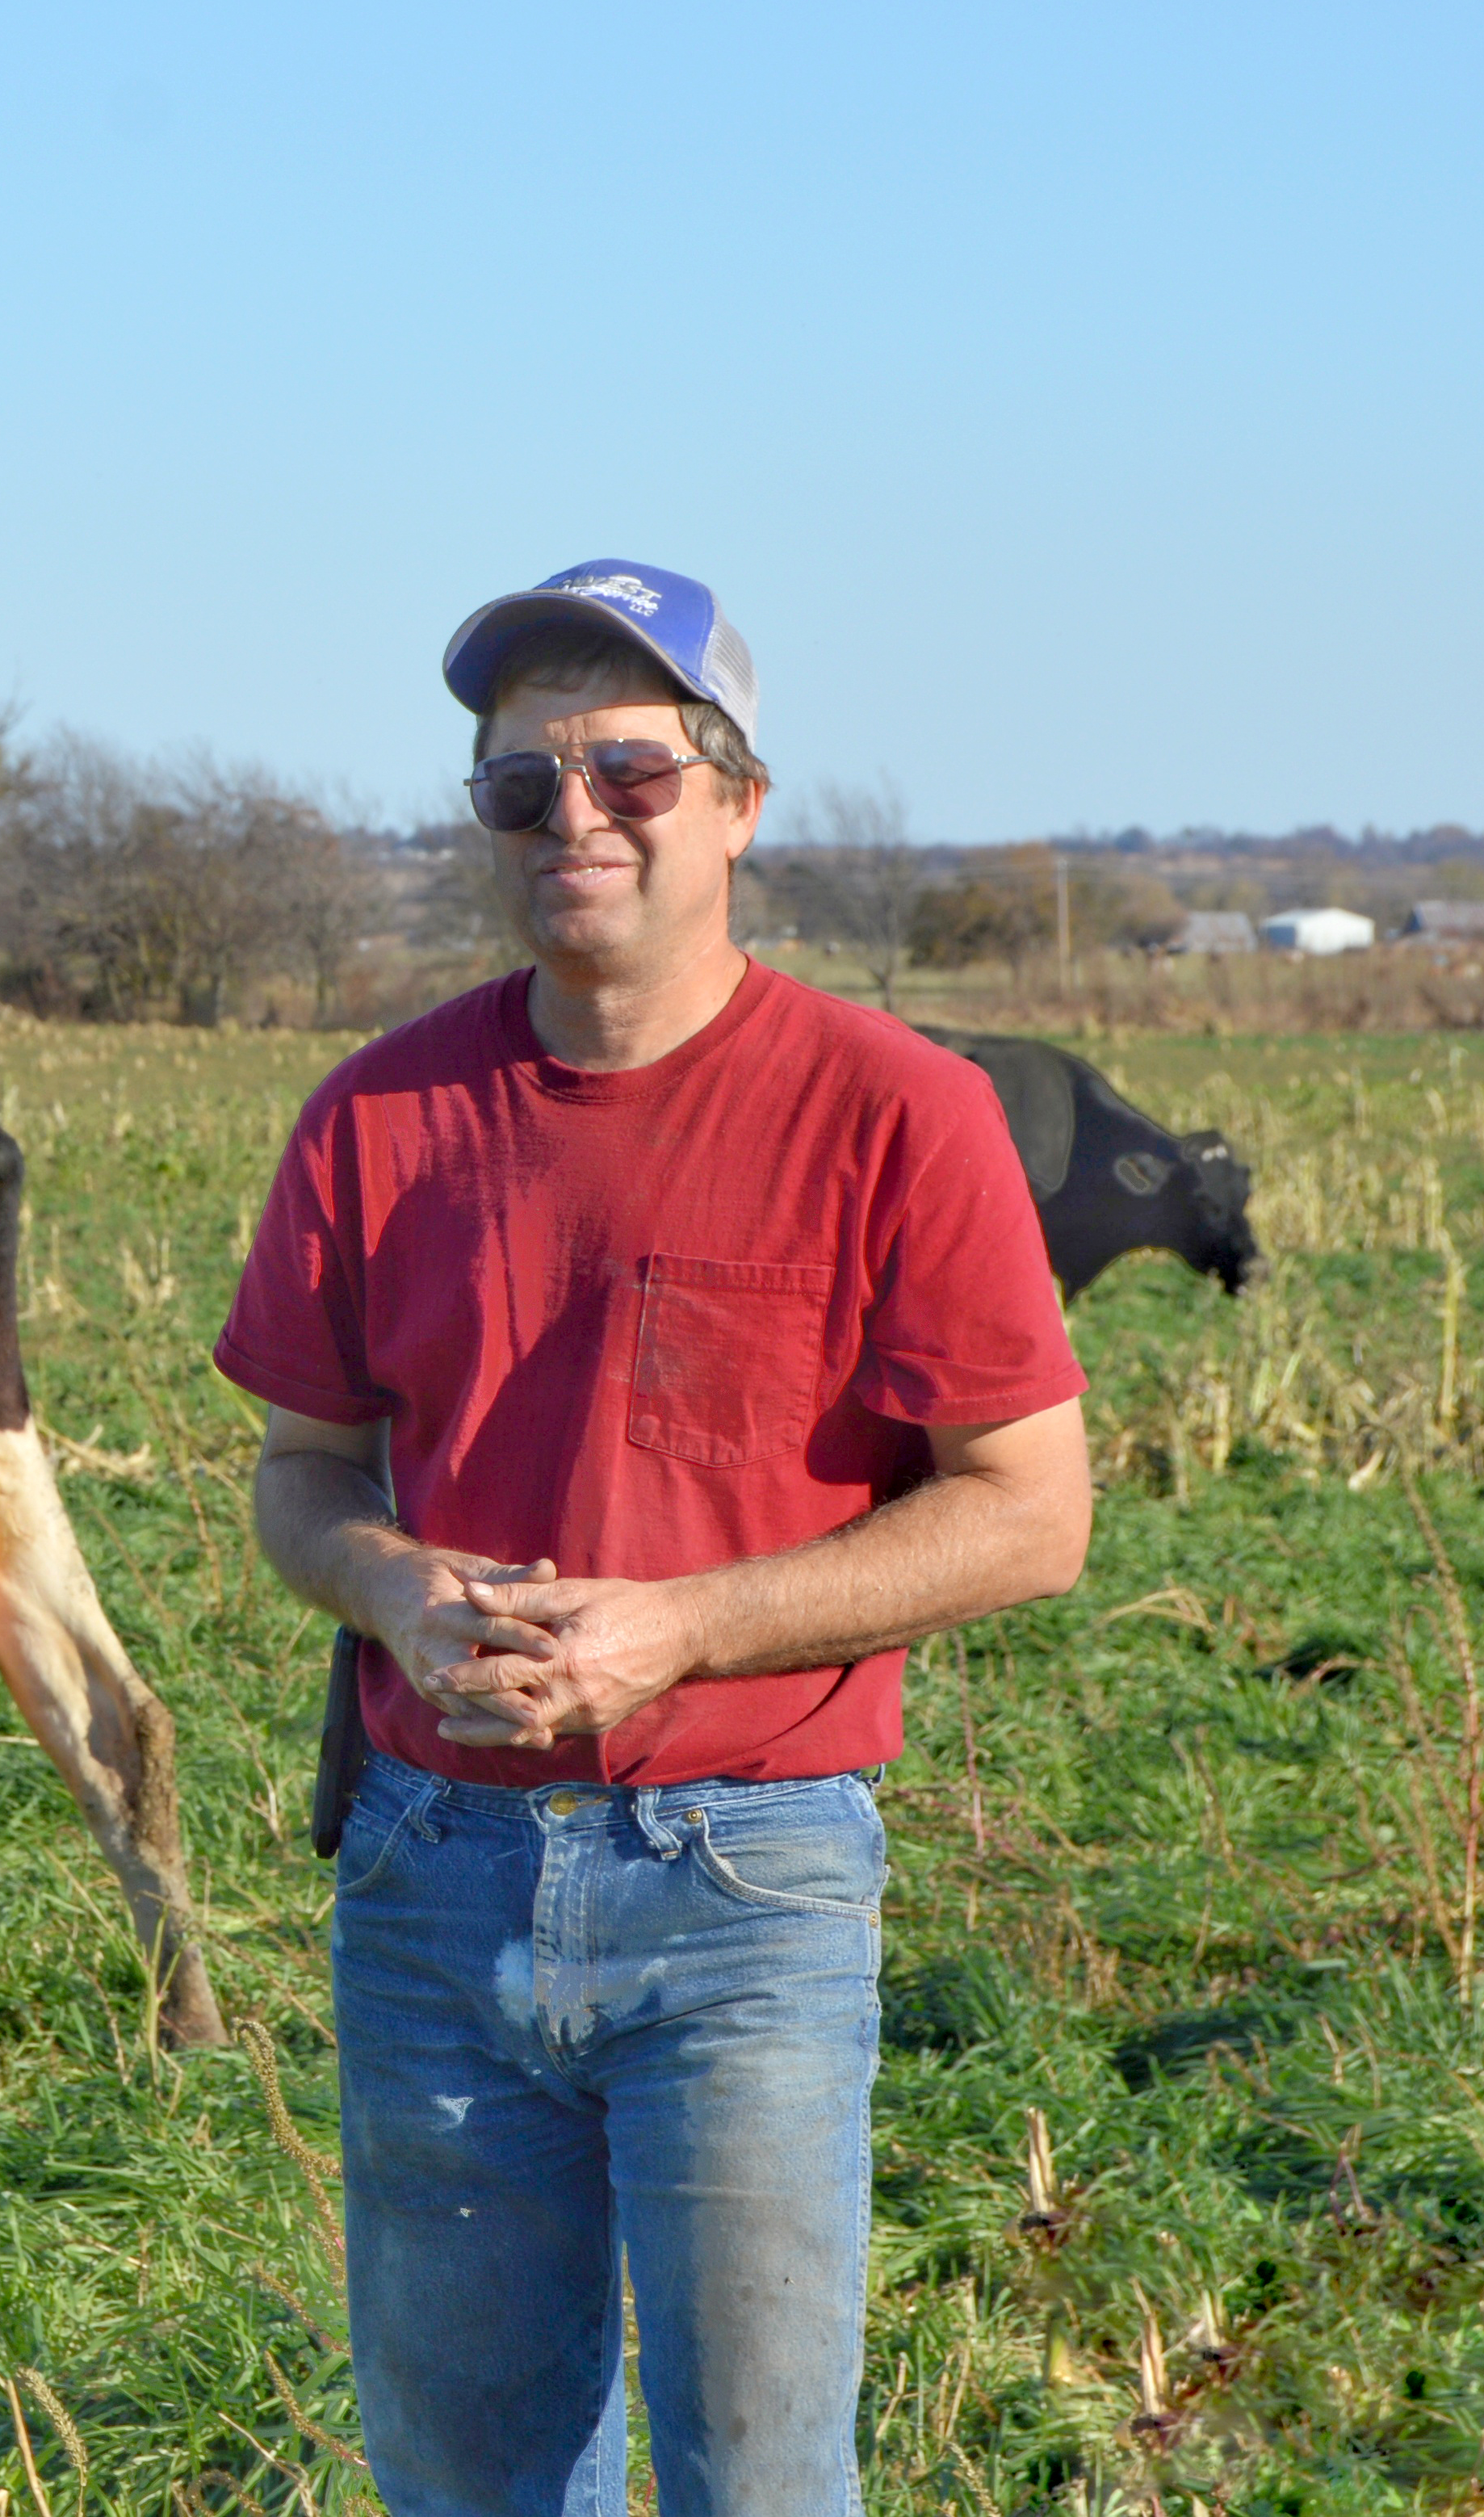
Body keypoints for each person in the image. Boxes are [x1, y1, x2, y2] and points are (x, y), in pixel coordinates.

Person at [216, 561, 1092, 2516]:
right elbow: (301, 1469)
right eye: (520, 789)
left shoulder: (897, 1110)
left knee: (761, 2478)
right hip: (431, 1873)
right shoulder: (377, 1115)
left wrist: (682, 1627)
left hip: (747, 1877)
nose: (576, 819)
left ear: (740, 802)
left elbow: (1033, 1514)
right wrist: (385, 1580)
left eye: (631, 770)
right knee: (465, 2480)